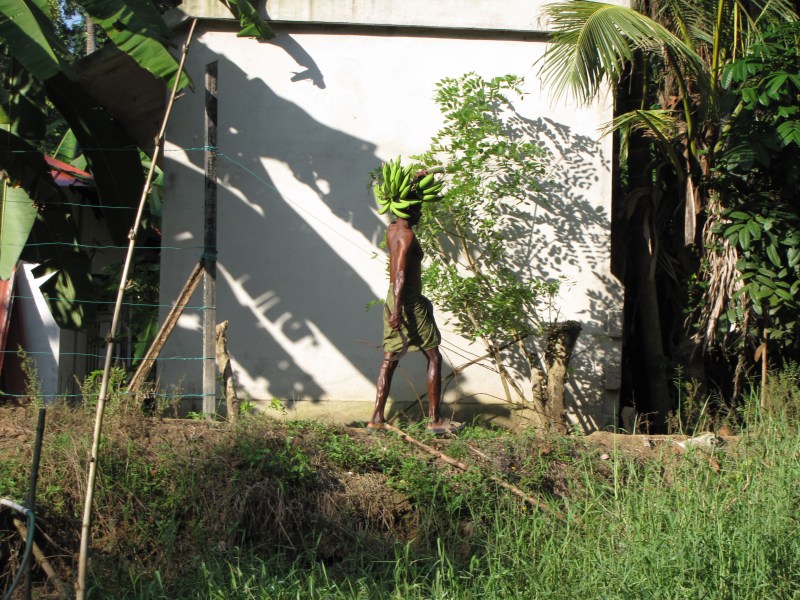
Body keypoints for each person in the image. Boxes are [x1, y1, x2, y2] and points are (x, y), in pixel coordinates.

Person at [368, 202, 463, 434]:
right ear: (408, 210)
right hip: (406, 299)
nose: (421, 214)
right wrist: (398, 311)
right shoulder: (406, 235)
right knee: (434, 357)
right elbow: (400, 274)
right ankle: (435, 420)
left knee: (389, 359)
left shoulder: (392, 228)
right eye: (418, 210)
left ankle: (377, 418)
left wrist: (394, 306)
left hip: (393, 297)